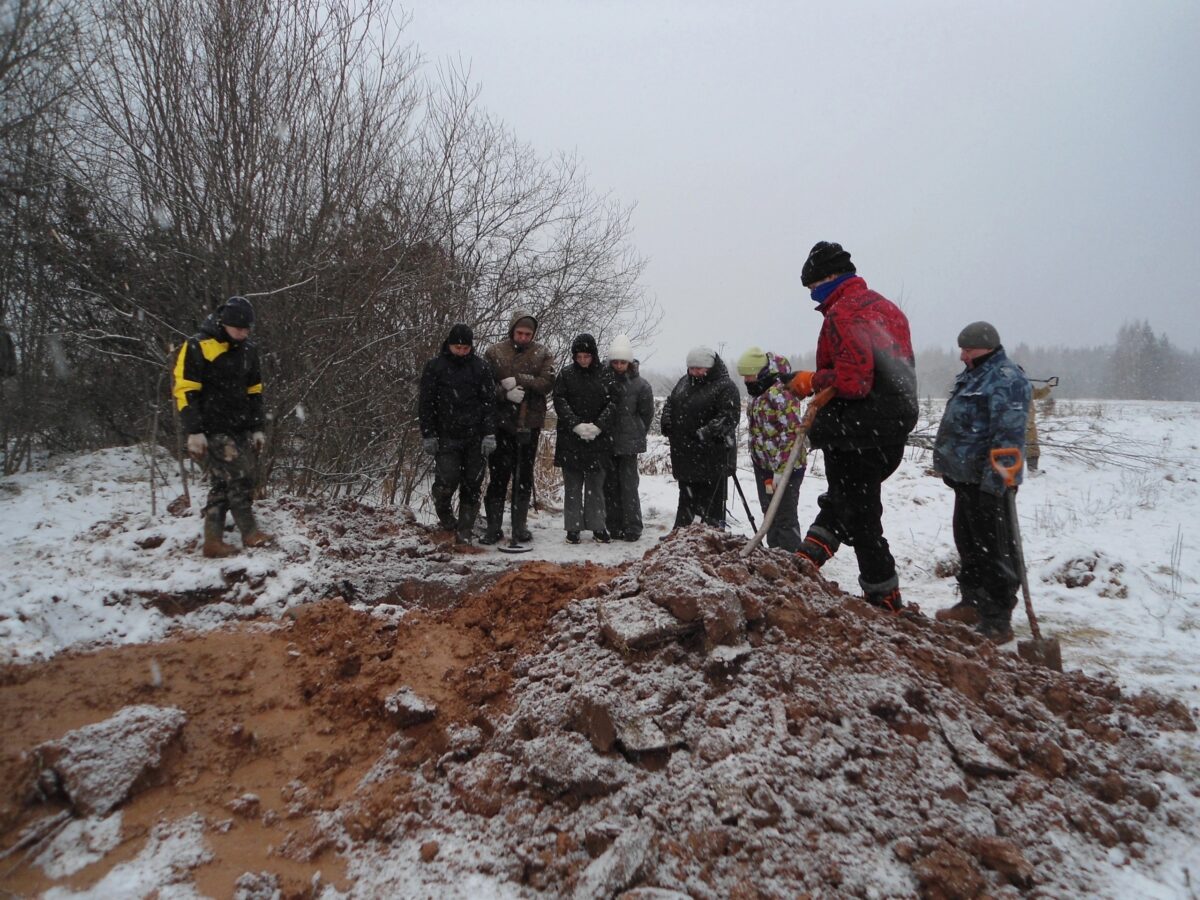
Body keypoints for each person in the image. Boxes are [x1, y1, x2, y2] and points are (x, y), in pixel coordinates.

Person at [788, 242, 918, 612]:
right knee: (849, 500)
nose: (813, 295)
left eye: (813, 287)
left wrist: (813, 380)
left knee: (861, 517)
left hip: (857, 429)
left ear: (829, 278)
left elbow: (855, 379)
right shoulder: (886, 308)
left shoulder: (843, 314)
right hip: (890, 428)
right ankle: (806, 558)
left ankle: (883, 595)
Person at [933, 321, 1032, 643]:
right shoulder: (973, 375)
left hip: (990, 483)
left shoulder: (1006, 378)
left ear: (987, 347)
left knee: (996, 552)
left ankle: (997, 619)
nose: (963, 355)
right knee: (969, 544)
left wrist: (999, 481)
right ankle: (971, 603)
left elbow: (1009, 434)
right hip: (966, 479)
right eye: (961, 349)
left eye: (969, 349)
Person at [172, 296, 273, 558]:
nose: (243, 333)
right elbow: (185, 391)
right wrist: (193, 431)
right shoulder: (197, 347)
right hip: (211, 429)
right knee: (241, 477)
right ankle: (250, 533)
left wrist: (257, 427)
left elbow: (255, 391)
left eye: (247, 329)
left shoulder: (249, 351)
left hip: (239, 427)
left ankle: (213, 539)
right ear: (224, 323)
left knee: (221, 483)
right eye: (239, 328)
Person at [482, 310, 556, 545]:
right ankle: (493, 527)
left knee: (523, 476)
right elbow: (484, 388)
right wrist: (504, 394)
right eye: (520, 332)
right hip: (502, 424)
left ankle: (519, 527)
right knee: (498, 476)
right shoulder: (494, 353)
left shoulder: (542, 353)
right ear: (512, 330)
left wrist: (520, 380)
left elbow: (546, 383)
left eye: (528, 334)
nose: (523, 337)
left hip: (530, 425)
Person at [418, 323, 497, 544]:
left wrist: (489, 434)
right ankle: (446, 519)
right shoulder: (435, 367)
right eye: (457, 348)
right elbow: (426, 403)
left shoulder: (481, 368)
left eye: (465, 348)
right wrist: (428, 434)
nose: (461, 352)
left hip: (475, 437)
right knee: (446, 482)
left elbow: (489, 404)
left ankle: (465, 530)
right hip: (446, 436)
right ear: (449, 345)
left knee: (472, 485)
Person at [660, 346, 740, 529]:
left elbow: (729, 416)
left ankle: (710, 537)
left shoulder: (725, 386)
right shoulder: (684, 382)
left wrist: (705, 433)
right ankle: (680, 533)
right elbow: (671, 403)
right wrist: (667, 420)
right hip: (685, 454)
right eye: (691, 368)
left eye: (699, 368)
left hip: (711, 456)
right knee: (686, 497)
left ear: (710, 367)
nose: (694, 372)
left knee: (711, 501)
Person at [737, 347, 807, 552]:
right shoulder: (758, 392)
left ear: (761, 372)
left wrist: (781, 469)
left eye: (749, 375)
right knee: (769, 514)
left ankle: (790, 559)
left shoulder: (782, 393)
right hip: (764, 466)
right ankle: (774, 554)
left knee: (785, 516)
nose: (746, 380)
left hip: (786, 469)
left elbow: (793, 433)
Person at [553, 334, 617, 543]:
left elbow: (613, 402)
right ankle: (573, 528)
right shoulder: (566, 374)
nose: (582, 360)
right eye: (579, 356)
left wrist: (599, 426)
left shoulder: (606, 374)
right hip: (571, 439)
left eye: (586, 356)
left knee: (595, 486)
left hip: (598, 439)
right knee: (572, 485)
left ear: (593, 355)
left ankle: (598, 526)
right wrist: (575, 425)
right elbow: (560, 400)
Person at [604, 334, 654, 542]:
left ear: (629, 362)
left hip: (629, 443)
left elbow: (647, 414)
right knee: (610, 485)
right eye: (615, 362)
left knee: (629, 485)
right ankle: (613, 525)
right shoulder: (603, 382)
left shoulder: (642, 385)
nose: (618, 366)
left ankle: (633, 526)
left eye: (622, 362)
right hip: (607, 442)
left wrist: (637, 432)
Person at [1025, 379, 1056, 472]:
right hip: (1023, 422)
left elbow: (1037, 394)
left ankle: (1032, 469)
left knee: (1032, 446)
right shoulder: (1023, 385)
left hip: (1027, 423)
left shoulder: (1026, 385)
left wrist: (1048, 387)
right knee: (1031, 446)